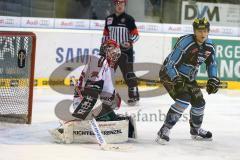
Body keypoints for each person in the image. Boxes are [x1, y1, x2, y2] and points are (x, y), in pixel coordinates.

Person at [156, 17, 220, 144]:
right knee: (183, 99)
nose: (203, 34)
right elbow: (170, 65)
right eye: (199, 31)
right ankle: (164, 130)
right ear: (194, 31)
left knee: (199, 103)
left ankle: (195, 130)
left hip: (189, 78)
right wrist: (176, 79)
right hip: (169, 74)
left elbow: (211, 64)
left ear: (208, 31)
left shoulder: (210, 46)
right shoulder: (186, 42)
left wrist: (213, 78)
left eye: (205, 31)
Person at [101, 0, 140, 105]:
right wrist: (103, 48)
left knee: (128, 74)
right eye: (117, 3)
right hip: (112, 52)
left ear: (124, 5)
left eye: (122, 4)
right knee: (108, 74)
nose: (119, 6)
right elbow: (105, 35)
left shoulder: (129, 19)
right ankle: (108, 94)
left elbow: (136, 35)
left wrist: (129, 42)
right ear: (114, 5)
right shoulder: (109, 19)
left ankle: (134, 96)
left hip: (125, 53)